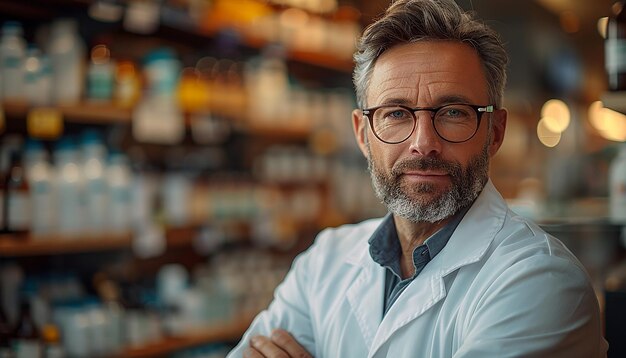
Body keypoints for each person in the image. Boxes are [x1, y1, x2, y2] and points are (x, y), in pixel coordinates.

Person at [228, 0, 609, 357]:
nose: (423, 144)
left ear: (495, 132)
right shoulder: (324, 263)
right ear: (363, 134)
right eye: (396, 114)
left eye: (453, 112)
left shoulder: (540, 282)